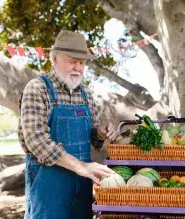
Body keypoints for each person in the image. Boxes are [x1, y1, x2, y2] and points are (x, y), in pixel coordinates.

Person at [18, 30, 118, 219]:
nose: (78, 68)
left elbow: (92, 131)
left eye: (82, 63)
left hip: (82, 187)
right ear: (54, 59)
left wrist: (101, 133)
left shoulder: (85, 93)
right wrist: (83, 167)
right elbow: (35, 140)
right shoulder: (37, 89)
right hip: (48, 189)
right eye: (72, 61)